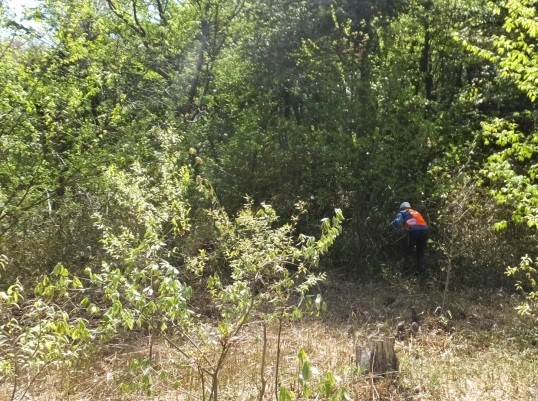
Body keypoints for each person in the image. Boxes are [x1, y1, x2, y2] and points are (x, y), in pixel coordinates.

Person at [389, 202, 429, 276]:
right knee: (420, 252)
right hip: (425, 231)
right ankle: (420, 272)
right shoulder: (415, 212)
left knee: (408, 250)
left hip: (414, 231)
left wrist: (389, 228)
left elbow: (397, 222)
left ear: (401, 208)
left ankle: (405, 272)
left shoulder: (403, 211)